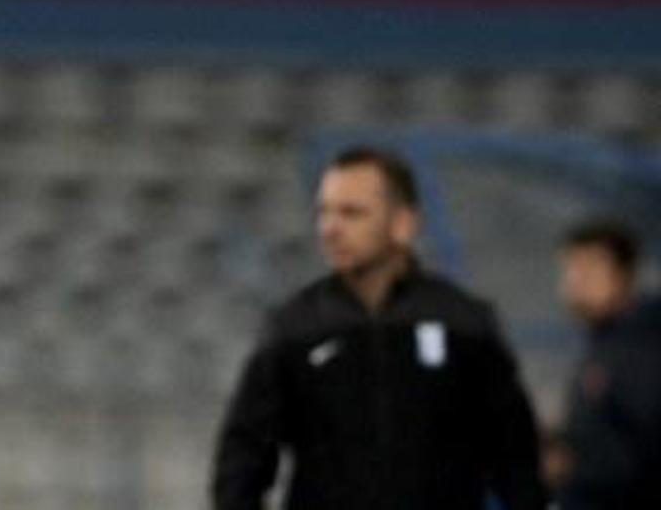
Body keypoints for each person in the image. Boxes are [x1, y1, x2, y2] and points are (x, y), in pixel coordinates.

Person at [211, 146, 546, 510]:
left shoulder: (464, 323)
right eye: (324, 212)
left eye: (351, 213)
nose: (330, 228)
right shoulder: (294, 328)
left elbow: (516, 461)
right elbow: (242, 461)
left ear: (403, 224)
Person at [550, 220, 661, 509]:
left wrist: (571, 465)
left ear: (624, 275)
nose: (575, 281)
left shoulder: (643, 345)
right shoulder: (604, 343)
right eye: (571, 269)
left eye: (589, 269)